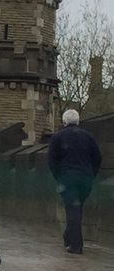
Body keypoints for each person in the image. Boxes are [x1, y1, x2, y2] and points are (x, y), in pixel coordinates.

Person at [48, 109, 102, 255]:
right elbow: (97, 158)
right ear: (78, 121)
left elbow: (52, 161)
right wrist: (91, 175)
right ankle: (68, 237)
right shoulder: (88, 137)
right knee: (76, 208)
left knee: (72, 209)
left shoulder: (58, 137)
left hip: (67, 178)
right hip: (86, 179)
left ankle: (76, 246)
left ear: (64, 121)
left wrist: (59, 177)